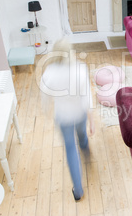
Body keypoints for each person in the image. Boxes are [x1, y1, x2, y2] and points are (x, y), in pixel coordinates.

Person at [40, 38, 95, 201]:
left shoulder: (49, 72)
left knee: (71, 148)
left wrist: (46, 111)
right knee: (83, 136)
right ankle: (87, 156)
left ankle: (78, 191)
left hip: (63, 117)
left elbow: (45, 95)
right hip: (79, 114)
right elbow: (87, 98)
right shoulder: (80, 69)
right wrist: (92, 121)